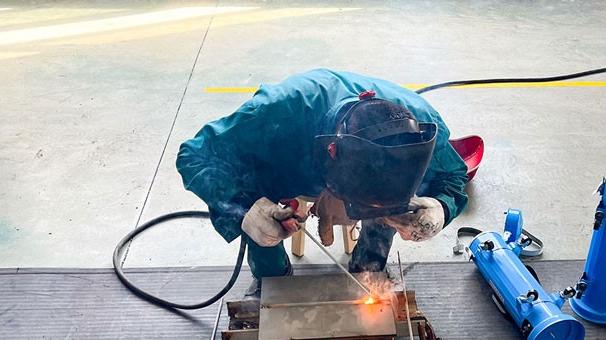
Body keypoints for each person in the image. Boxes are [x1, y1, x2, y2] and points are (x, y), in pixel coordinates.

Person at [176, 68, 469, 297]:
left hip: (347, 165)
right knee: (259, 209)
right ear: (332, 155)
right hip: (290, 153)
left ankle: (368, 270)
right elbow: (194, 155)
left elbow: (453, 175)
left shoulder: (423, 128)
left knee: (389, 207)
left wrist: (440, 209)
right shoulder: (276, 112)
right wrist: (244, 210)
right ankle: (271, 277)